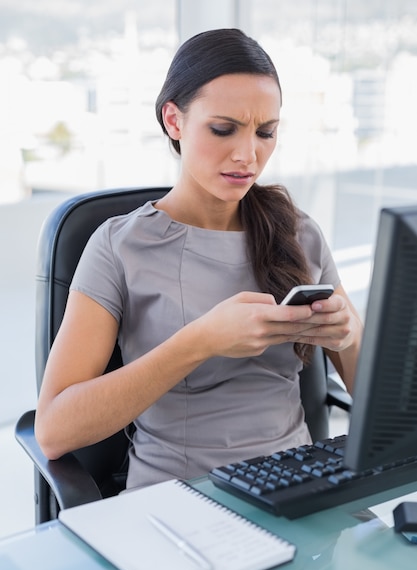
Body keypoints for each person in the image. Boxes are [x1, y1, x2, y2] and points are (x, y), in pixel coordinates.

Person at [35, 28, 362, 490]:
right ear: (174, 120)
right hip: (177, 501)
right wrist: (200, 341)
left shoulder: (298, 232)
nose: (248, 155)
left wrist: (346, 334)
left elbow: (382, 405)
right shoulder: (118, 246)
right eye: (223, 129)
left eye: (266, 133)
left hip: (297, 488)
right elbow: (52, 432)